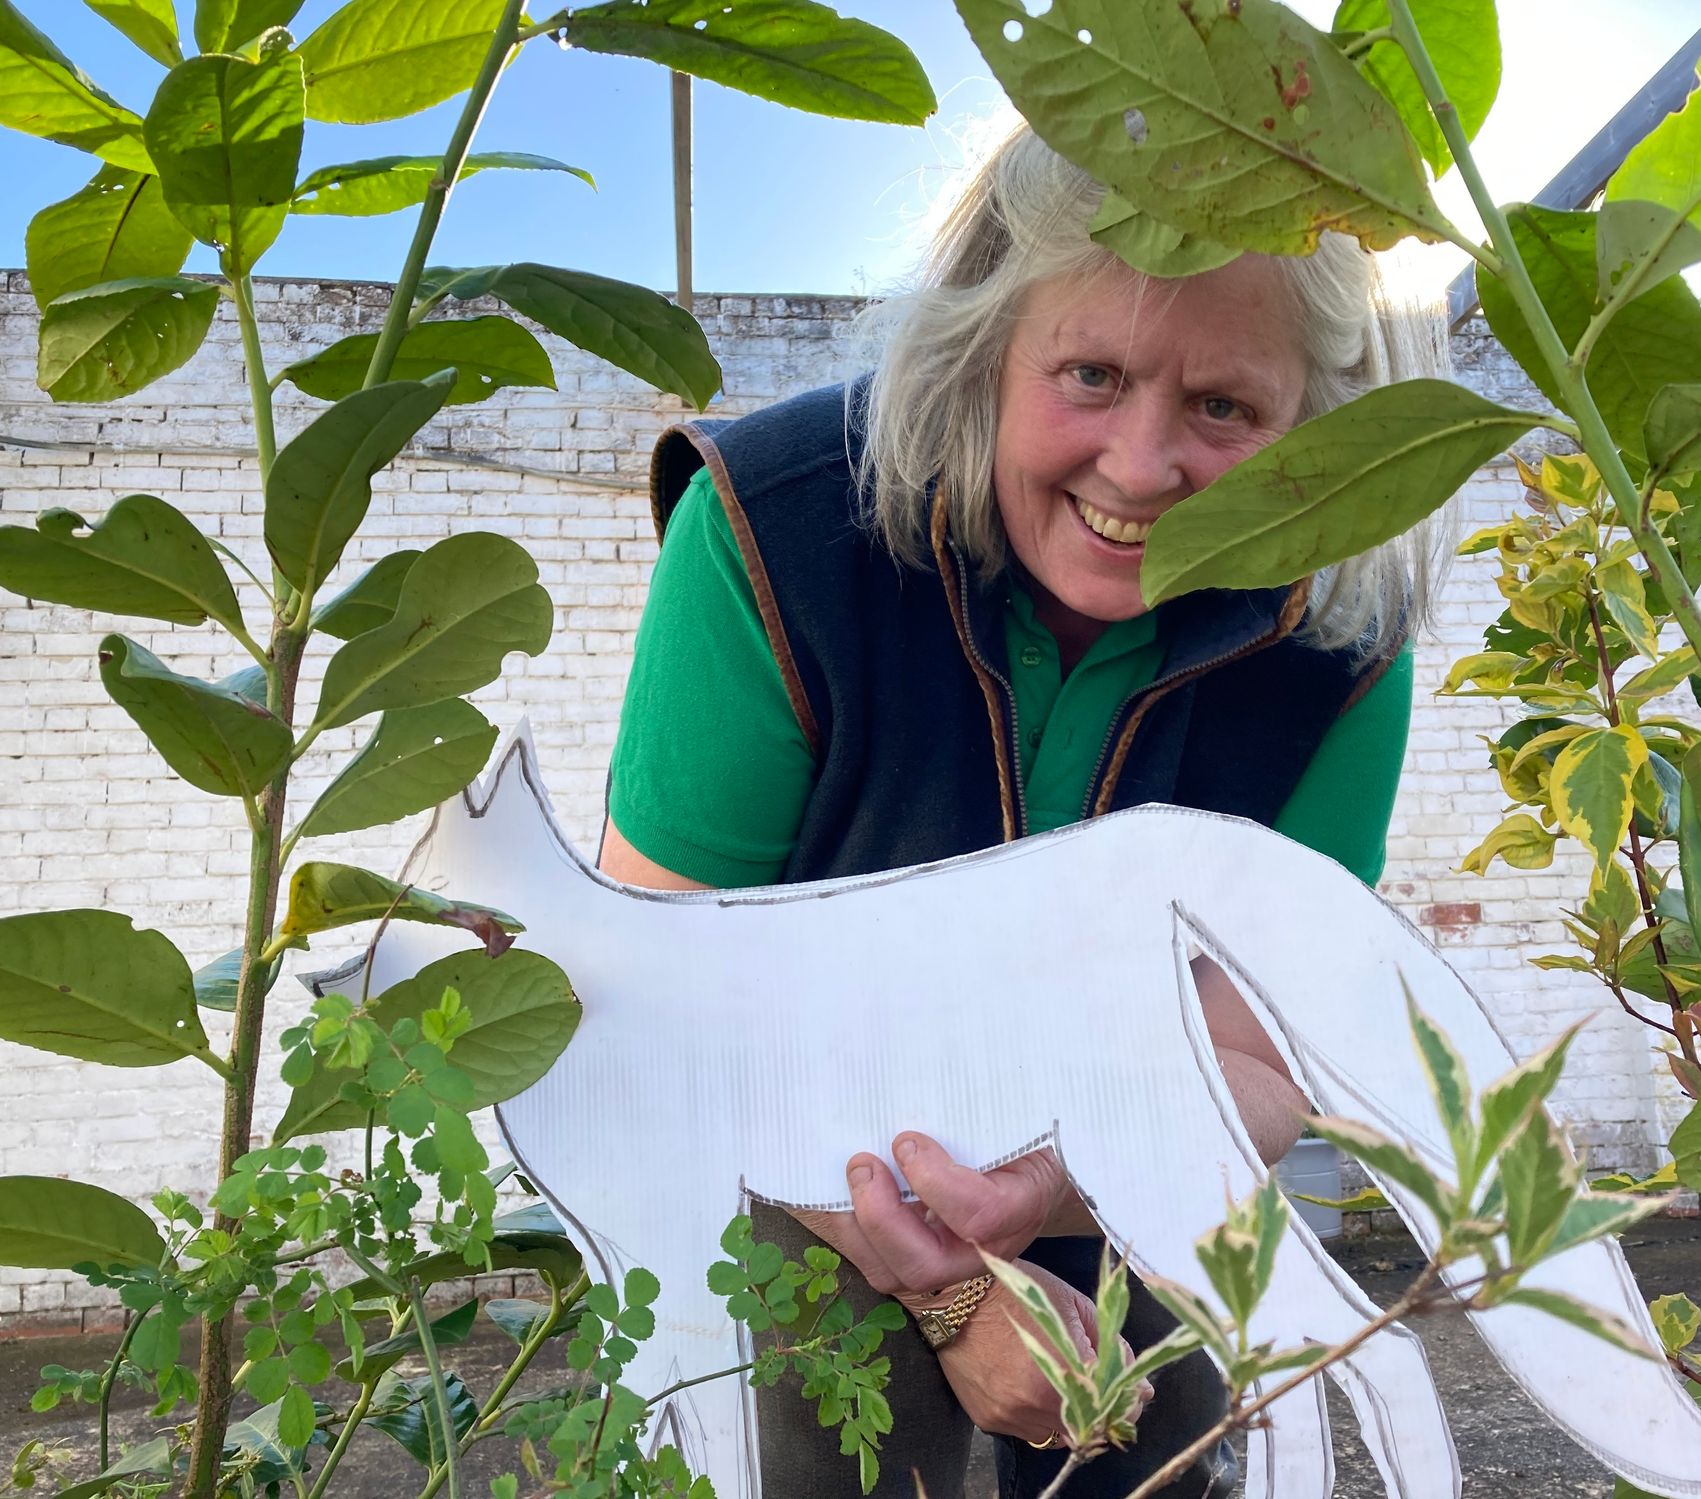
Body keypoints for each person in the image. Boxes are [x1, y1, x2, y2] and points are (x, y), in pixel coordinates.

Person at [597, 124, 1446, 1498]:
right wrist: (949, 1291)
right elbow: (664, 993)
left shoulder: (1337, 636)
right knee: (823, 1448)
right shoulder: (777, 528)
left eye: (1225, 409)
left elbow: (1260, 1051)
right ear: (987, 343)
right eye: (1092, 375)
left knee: (1159, 1441)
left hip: (1136, 1149)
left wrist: (1050, 1190)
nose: (1141, 467)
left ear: (1315, 427)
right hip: (786, 1139)